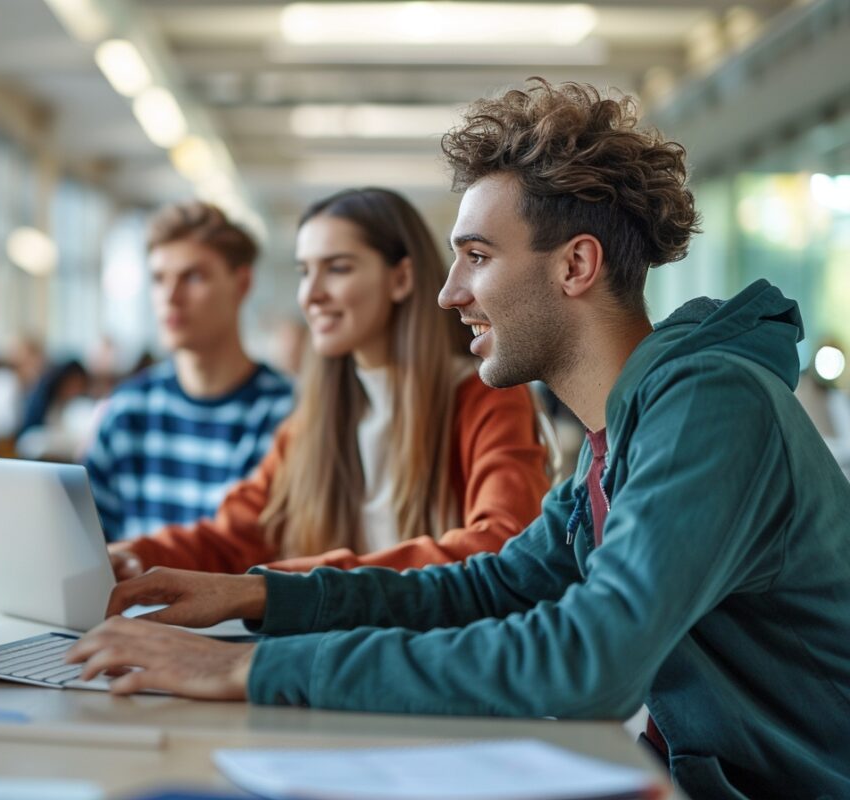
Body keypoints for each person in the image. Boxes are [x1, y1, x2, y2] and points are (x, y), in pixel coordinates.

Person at [67, 80, 850, 799]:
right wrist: (264, 594)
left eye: (477, 257)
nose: (450, 294)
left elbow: (590, 661)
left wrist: (256, 666)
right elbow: (491, 587)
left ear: (577, 264)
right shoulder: (622, 434)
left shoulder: (711, 404)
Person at [108, 187, 550, 580]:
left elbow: (501, 546)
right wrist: (137, 556)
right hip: (330, 651)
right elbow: (236, 538)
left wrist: (294, 586)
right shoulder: (313, 419)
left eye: (337, 268)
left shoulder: (485, 399)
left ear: (401, 278)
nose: (311, 295)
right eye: (304, 272)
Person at [85, 201, 293, 541]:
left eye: (193, 277)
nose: (170, 296)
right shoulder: (127, 410)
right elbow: (87, 543)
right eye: (158, 279)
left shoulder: (286, 413)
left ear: (241, 284)